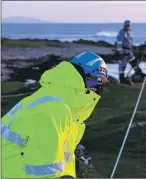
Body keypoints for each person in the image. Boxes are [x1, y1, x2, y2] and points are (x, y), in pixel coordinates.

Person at [1, 52, 108, 178]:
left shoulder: (57, 100)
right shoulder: (55, 110)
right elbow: (42, 170)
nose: (97, 89)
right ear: (79, 77)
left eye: (102, 82)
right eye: (95, 81)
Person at [116, 20, 145, 85]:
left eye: (129, 26)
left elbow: (128, 42)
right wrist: (121, 53)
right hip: (124, 52)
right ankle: (122, 79)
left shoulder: (127, 33)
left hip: (128, 52)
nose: (128, 27)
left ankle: (139, 73)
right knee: (122, 66)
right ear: (125, 26)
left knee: (134, 62)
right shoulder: (122, 33)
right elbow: (119, 43)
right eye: (127, 26)